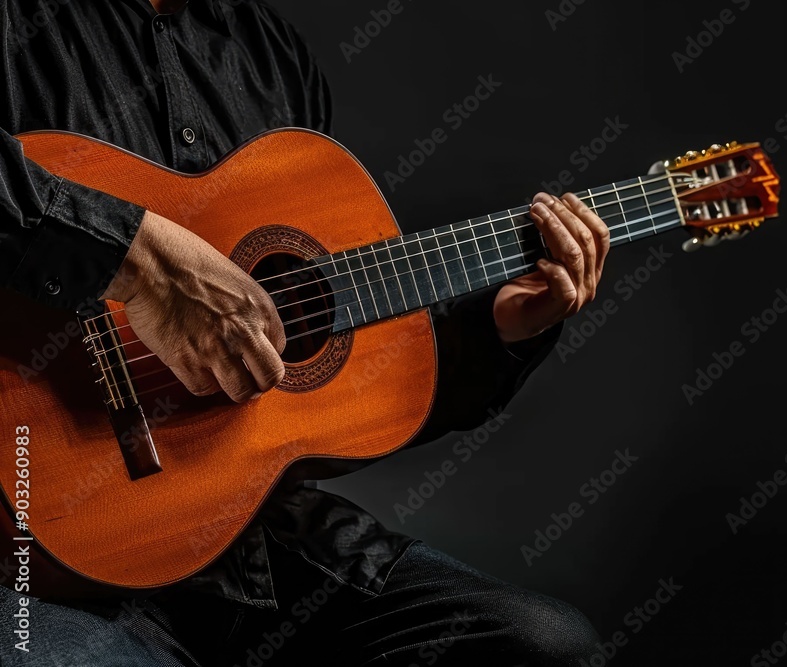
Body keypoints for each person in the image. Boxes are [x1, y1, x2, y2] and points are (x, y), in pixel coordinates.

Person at [0, 0, 611, 665]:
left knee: (544, 645)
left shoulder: (273, 56)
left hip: (258, 543)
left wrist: (496, 330)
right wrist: (136, 261)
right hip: (31, 564)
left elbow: (328, 403)